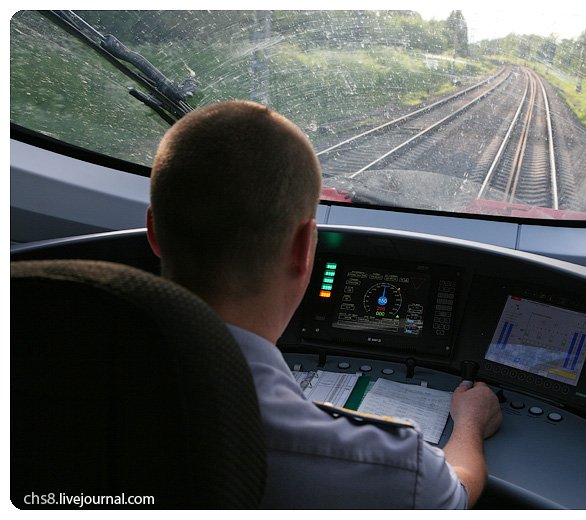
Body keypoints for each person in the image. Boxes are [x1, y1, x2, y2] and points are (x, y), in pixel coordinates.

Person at [145, 100, 502, 508]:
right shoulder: (391, 465)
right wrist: (471, 423)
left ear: (153, 231)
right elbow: (454, 491)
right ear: (304, 248)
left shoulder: (72, 371)